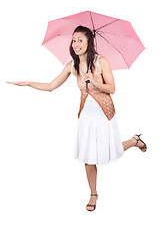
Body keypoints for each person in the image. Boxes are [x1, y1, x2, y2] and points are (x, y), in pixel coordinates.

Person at [6, 25, 147, 212]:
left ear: (89, 42)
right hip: (86, 118)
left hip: (104, 115)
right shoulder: (72, 66)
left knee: (109, 150)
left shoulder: (101, 61)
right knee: (90, 157)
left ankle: (134, 141)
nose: (76, 43)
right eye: (74, 40)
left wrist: (94, 80)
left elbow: (112, 88)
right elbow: (51, 86)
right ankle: (93, 194)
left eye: (80, 39)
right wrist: (27, 83)